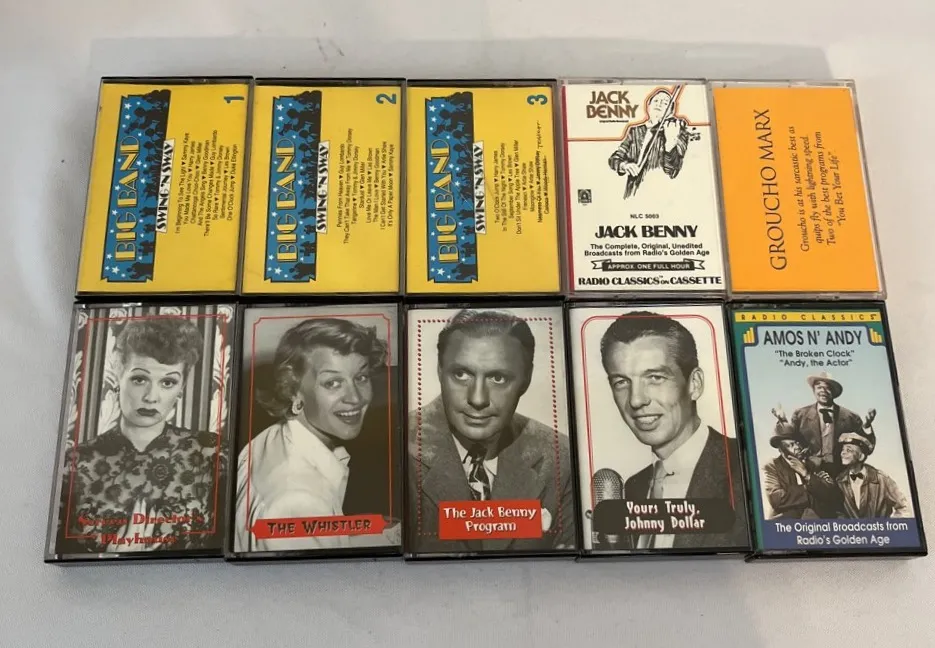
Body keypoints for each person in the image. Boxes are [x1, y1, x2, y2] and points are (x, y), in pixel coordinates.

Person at [408, 309, 574, 553]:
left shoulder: (560, 456)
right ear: (440, 371)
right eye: (461, 374)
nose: (478, 399)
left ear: (526, 379)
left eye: (498, 378)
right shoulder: (394, 449)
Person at [58, 317, 223, 553]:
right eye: (139, 379)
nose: (151, 397)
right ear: (119, 373)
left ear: (182, 387)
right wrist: (112, 559)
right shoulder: (74, 463)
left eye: (168, 382)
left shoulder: (213, 453)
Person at [234, 318, 394, 553]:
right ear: (293, 391)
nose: (356, 398)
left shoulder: (273, 438)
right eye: (333, 383)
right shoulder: (298, 503)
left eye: (361, 377)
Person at [599, 312, 747, 549]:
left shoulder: (745, 468)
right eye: (621, 382)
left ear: (694, 384)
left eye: (655, 378)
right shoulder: (635, 486)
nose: (636, 400)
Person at [607, 88, 689, 198]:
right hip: (632, 192)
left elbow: (672, 171)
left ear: (671, 111)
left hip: (662, 195)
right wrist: (624, 165)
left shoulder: (677, 130)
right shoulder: (635, 131)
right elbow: (615, 158)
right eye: (656, 101)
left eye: (665, 103)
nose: (659, 104)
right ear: (648, 106)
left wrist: (670, 144)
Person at [787, 372, 866, 476]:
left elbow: (866, 445)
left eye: (828, 388)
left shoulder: (850, 417)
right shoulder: (800, 415)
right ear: (814, 390)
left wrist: (867, 426)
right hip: (809, 470)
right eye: (819, 387)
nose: (823, 391)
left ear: (834, 392)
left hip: (841, 472)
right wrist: (782, 420)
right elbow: (790, 441)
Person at [762, 423, 842, 519]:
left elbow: (832, 494)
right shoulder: (772, 466)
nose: (797, 447)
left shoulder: (812, 464)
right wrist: (809, 487)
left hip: (815, 520)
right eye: (791, 445)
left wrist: (806, 474)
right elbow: (776, 499)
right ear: (781, 449)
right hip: (786, 522)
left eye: (797, 443)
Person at [836, 427, 911, 518]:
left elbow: (904, 507)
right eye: (843, 450)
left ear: (861, 456)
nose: (842, 453)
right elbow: (838, 512)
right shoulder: (839, 481)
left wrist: (890, 525)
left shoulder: (882, 479)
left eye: (849, 450)